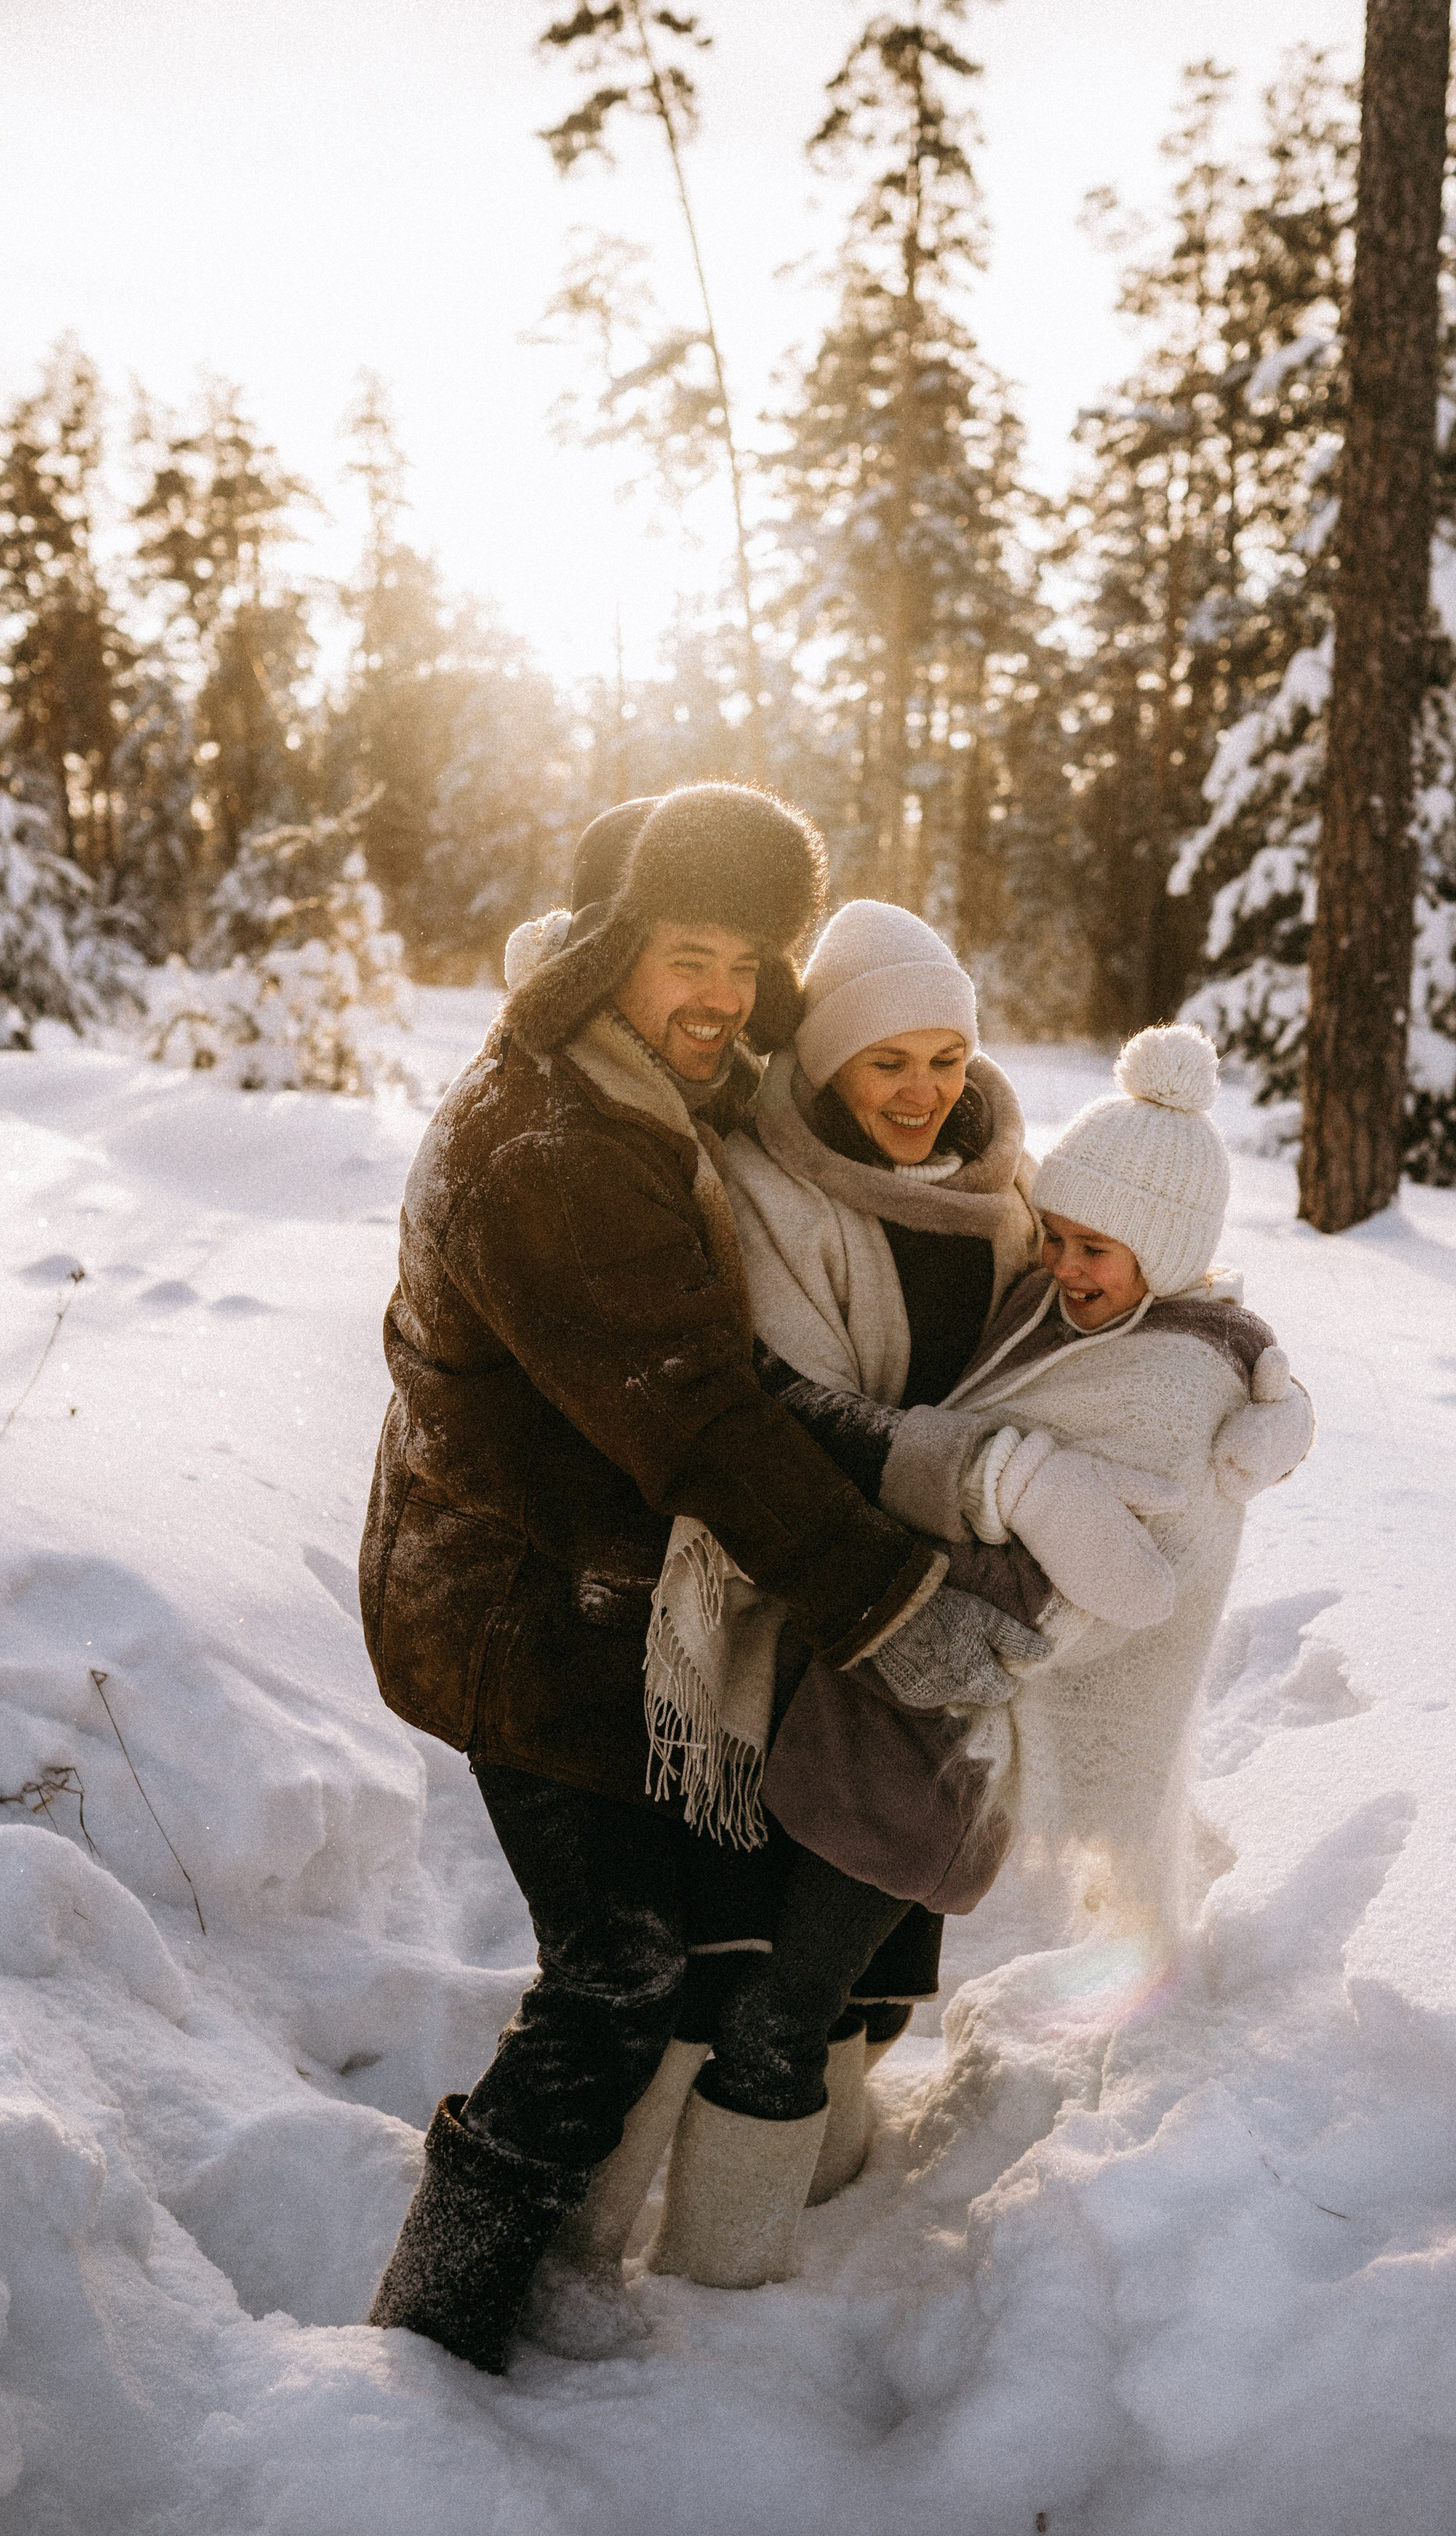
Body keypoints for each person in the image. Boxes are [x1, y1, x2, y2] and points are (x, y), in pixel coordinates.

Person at [360, 792, 1033, 2374]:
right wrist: (890, 1603)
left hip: (593, 1601)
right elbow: (697, 1416)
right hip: (517, 1618)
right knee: (618, 1973)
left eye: (749, 959)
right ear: (609, 951)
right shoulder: (557, 1147)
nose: (721, 994)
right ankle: (432, 2332)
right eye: (686, 954)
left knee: (661, 1945)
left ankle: (537, 2282)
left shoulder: (641, 1090)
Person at [633, 906, 1312, 2289]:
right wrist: (1006, 1477)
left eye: (947, 1055)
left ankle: (755, 2257)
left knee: (832, 1985)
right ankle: (735, 2269)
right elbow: (812, 1420)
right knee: (778, 1985)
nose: (924, 1089)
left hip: (947, 1685)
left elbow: (1149, 1451)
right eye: (885, 1059)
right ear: (824, 1061)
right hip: (842, 1620)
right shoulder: (869, 1212)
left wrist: (1263, 1406)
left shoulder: (1016, 1207)